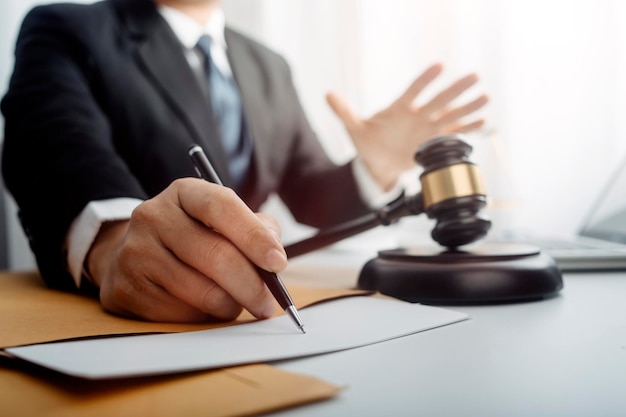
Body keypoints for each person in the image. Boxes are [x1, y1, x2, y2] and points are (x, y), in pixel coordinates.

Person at [1, 0, 488, 323]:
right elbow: (55, 150)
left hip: (246, 327)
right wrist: (114, 245)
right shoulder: (67, 28)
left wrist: (374, 166)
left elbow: (313, 198)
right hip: (143, 330)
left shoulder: (267, 64)